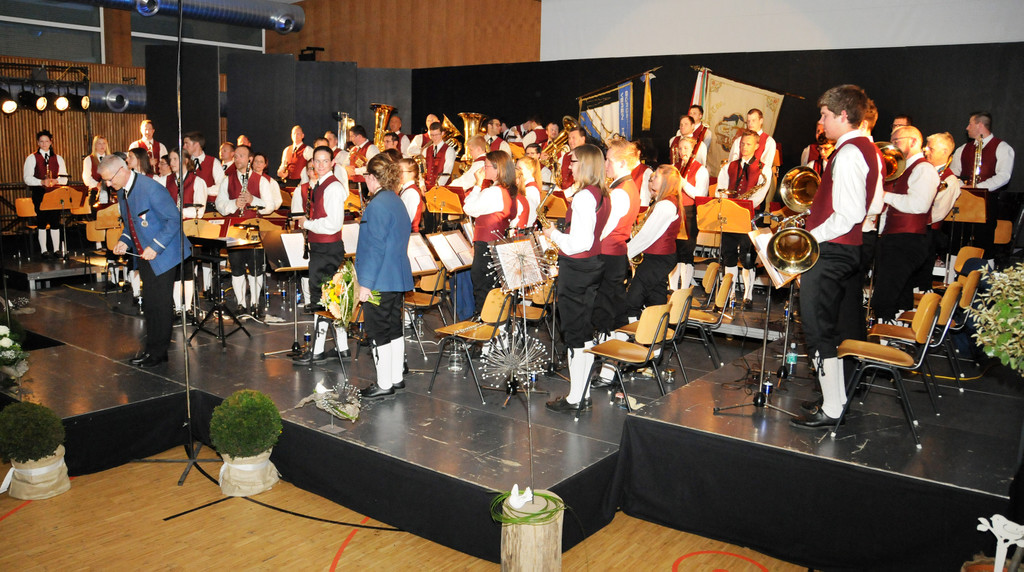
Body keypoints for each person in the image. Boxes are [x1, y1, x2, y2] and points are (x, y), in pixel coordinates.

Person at [791, 84, 883, 429]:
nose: (821, 122)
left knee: (818, 330)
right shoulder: (866, 148)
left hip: (831, 251)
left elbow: (848, 215)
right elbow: (871, 205)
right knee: (827, 327)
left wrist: (808, 238)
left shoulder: (848, 153)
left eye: (825, 115)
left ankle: (832, 408)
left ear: (843, 115)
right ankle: (836, 399)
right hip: (844, 249)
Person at [543, 144, 611, 413]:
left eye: (572, 162)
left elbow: (579, 243)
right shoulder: (602, 194)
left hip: (577, 269)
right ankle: (582, 393)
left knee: (574, 334)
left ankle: (575, 398)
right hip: (592, 266)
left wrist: (553, 234)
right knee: (583, 333)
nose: (569, 166)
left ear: (584, 164)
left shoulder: (584, 197)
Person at [101, 155, 185, 368]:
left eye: (110, 179)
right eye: (105, 181)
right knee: (150, 304)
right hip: (145, 255)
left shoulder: (151, 189)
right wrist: (124, 241)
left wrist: (155, 246)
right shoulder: (123, 191)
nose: (108, 184)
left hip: (164, 253)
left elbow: (174, 220)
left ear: (122, 170)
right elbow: (131, 224)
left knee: (160, 305)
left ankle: (158, 352)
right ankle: (153, 350)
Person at [356, 154, 415, 399]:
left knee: (378, 330)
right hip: (396, 277)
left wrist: (365, 284)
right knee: (393, 328)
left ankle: (383, 384)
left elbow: (375, 248)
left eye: (366, 176)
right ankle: (395, 377)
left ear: (372, 177)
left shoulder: (377, 204)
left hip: (379, 279)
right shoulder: (396, 200)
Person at [871, 126, 938, 321]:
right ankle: (896, 331)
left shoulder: (924, 169)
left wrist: (884, 195)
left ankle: (884, 335)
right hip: (894, 239)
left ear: (914, 141)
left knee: (884, 298)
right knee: (899, 295)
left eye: (897, 141)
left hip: (907, 240)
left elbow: (918, 205)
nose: (892, 146)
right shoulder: (903, 170)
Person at [591, 138, 641, 387]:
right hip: (615, 256)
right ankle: (612, 366)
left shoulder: (620, 192)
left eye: (609, 160)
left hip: (608, 257)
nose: (605, 164)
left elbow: (603, 230)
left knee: (607, 314)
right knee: (612, 312)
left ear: (622, 163)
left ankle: (608, 372)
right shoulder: (628, 187)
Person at [293, 146, 349, 365]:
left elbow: (333, 224)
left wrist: (307, 223)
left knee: (321, 299)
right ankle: (342, 348)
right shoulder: (321, 184)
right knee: (332, 298)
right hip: (323, 249)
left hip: (327, 249)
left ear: (332, 163)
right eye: (317, 161)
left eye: (325, 161)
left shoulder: (332, 187)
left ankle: (317, 351)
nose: (321, 165)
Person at [216, 145, 282, 315]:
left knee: (255, 267)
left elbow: (270, 206)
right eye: (236, 156)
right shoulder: (227, 180)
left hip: (254, 229)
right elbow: (219, 204)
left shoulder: (261, 181)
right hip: (234, 230)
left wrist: (253, 200)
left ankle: (254, 303)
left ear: (249, 160)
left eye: (241, 156)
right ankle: (240, 303)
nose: (237, 159)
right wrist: (233, 204)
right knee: (236, 267)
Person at [949, 112, 1015, 264]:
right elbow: (953, 174)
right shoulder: (963, 149)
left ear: (980, 125)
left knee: (984, 241)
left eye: (970, 124)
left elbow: (1003, 176)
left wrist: (977, 188)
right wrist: (961, 185)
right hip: (963, 201)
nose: (967, 128)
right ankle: (954, 274)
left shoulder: (1002, 148)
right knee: (957, 241)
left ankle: (984, 276)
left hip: (987, 202)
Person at [716, 130, 770, 308]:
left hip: (750, 216)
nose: (744, 147)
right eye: (742, 144)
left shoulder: (764, 169)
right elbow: (721, 189)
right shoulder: (729, 166)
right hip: (730, 216)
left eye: (748, 144)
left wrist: (743, 205)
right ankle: (730, 294)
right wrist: (725, 201)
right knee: (729, 255)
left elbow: (760, 196)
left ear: (756, 146)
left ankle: (748, 296)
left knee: (747, 257)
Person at [463, 151, 515, 316]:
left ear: (497, 168)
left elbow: (469, 208)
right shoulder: (506, 190)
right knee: (491, 288)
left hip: (486, 245)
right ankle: (494, 324)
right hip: (495, 244)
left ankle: (485, 324)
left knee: (482, 287)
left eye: (486, 166)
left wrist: (477, 184)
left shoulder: (493, 192)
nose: (483, 169)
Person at [625, 165, 682, 319]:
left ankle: (633, 330)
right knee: (655, 298)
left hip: (658, 258)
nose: (652, 180)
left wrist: (626, 253)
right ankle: (656, 330)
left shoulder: (666, 205)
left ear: (666, 181)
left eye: (656, 176)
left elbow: (647, 236)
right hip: (661, 257)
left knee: (632, 299)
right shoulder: (666, 201)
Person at [919, 132, 962, 286]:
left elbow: (938, 213)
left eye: (931, 148)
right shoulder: (921, 169)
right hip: (914, 231)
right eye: (926, 147)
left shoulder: (950, 180)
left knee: (919, 279)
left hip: (927, 234)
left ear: (944, 152)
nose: (926, 151)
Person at [671, 137, 709, 290]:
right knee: (674, 251)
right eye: (680, 148)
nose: (682, 152)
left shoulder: (701, 170)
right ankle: (673, 288)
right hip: (674, 211)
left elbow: (700, 195)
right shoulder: (675, 167)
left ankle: (685, 288)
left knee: (686, 252)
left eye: (686, 148)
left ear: (693, 150)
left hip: (690, 212)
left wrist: (684, 183)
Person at [23, 130, 68, 259]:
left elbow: (64, 178)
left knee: (55, 221)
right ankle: (44, 250)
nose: (44, 144)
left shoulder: (58, 158)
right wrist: (41, 182)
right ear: (38, 143)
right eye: (41, 141)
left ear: (51, 142)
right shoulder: (32, 158)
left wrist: (56, 181)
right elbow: (27, 178)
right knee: (41, 221)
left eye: (46, 141)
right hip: (40, 192)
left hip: (55, 192)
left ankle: (56, 249)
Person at [182, 131, 224, 207]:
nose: (184, 147)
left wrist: (203, 190)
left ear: (196, 144)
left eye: (186, 143)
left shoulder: (213, 162)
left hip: (209, 206)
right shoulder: (184, 163)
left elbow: (222, 186)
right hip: (188, 206)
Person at [421, 121, 457, 190]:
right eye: (432, 135)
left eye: (437, 135)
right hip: (426, 187)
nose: (434, 138)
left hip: (442, 188)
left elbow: (447, 171)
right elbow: (422, 171)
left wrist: (437, 187)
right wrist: (422, 184)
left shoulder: (449, 150)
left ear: (442, 133)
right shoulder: (426, 150)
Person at [82, 135, 110, 208]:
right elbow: (86, 178)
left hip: (110, 193)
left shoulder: (111, 159)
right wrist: (97, 184)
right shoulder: (89, 159)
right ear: (95, 146)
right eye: (99, 143)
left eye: (104, 143)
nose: (102, 146)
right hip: (94, 193)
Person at [396, 157, 423, 233]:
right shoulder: (406, 190)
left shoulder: (411, 192)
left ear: (412, 173)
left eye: (401, 171)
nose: (398, 174)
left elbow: (406, 219)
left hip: (409, 234)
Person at [516, 156, 543, 228]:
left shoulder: (531, 190)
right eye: (516, 168)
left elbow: (530, 216)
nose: (516, 172)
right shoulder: (526, 187)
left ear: (531, 170)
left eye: (519, 169)